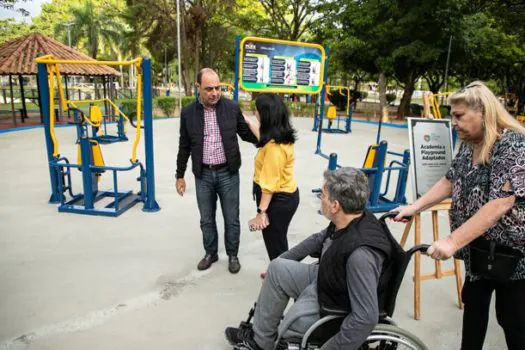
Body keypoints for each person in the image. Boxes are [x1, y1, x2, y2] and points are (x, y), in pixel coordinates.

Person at [394, 81, 525, 350]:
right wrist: (414, 207)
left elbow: (501, 202)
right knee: (473, 309)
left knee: (512, 319)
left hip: (512, 254)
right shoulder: (470, 142)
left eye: (458, 115)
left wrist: (452, 241)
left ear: (483, 112)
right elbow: (450, 180)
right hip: (478, 248)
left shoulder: (512, 143)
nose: (452, 122)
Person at [225, 167, 404, 350]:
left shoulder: (361, 256)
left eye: (323, 196)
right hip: (331, 276)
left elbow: (365, 318)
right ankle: (260, 342)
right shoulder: (351, 218)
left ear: (335, 206)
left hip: (336, 299)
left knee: (293, 322)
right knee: (278, 268)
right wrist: (281, 261)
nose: (321, 199)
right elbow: (319, 239)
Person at [175, 68, 258, 274]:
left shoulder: (231, 108)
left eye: (218, 88)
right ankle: (210, 253)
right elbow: (184, 145)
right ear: (198, 88)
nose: (214, 93)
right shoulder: (188, 113)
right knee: (206, 218)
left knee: (231, 217)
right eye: (209, 89)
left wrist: (266, 136)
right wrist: (180, 174)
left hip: (228, 173)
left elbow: (246, 134)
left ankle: (232, 255)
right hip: (202, 175)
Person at [245, 93, 300, 260]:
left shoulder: (275, 150)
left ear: (266, 115)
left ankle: (281, 278)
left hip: (277, 201)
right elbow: (262, 138)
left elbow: (269, 185)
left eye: (257, 110)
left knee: (275, 244)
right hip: (285, 197)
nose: (255, 113)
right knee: (278, 240)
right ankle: (279, 271)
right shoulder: (279, 136)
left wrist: (261, 212)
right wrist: (248, 121)